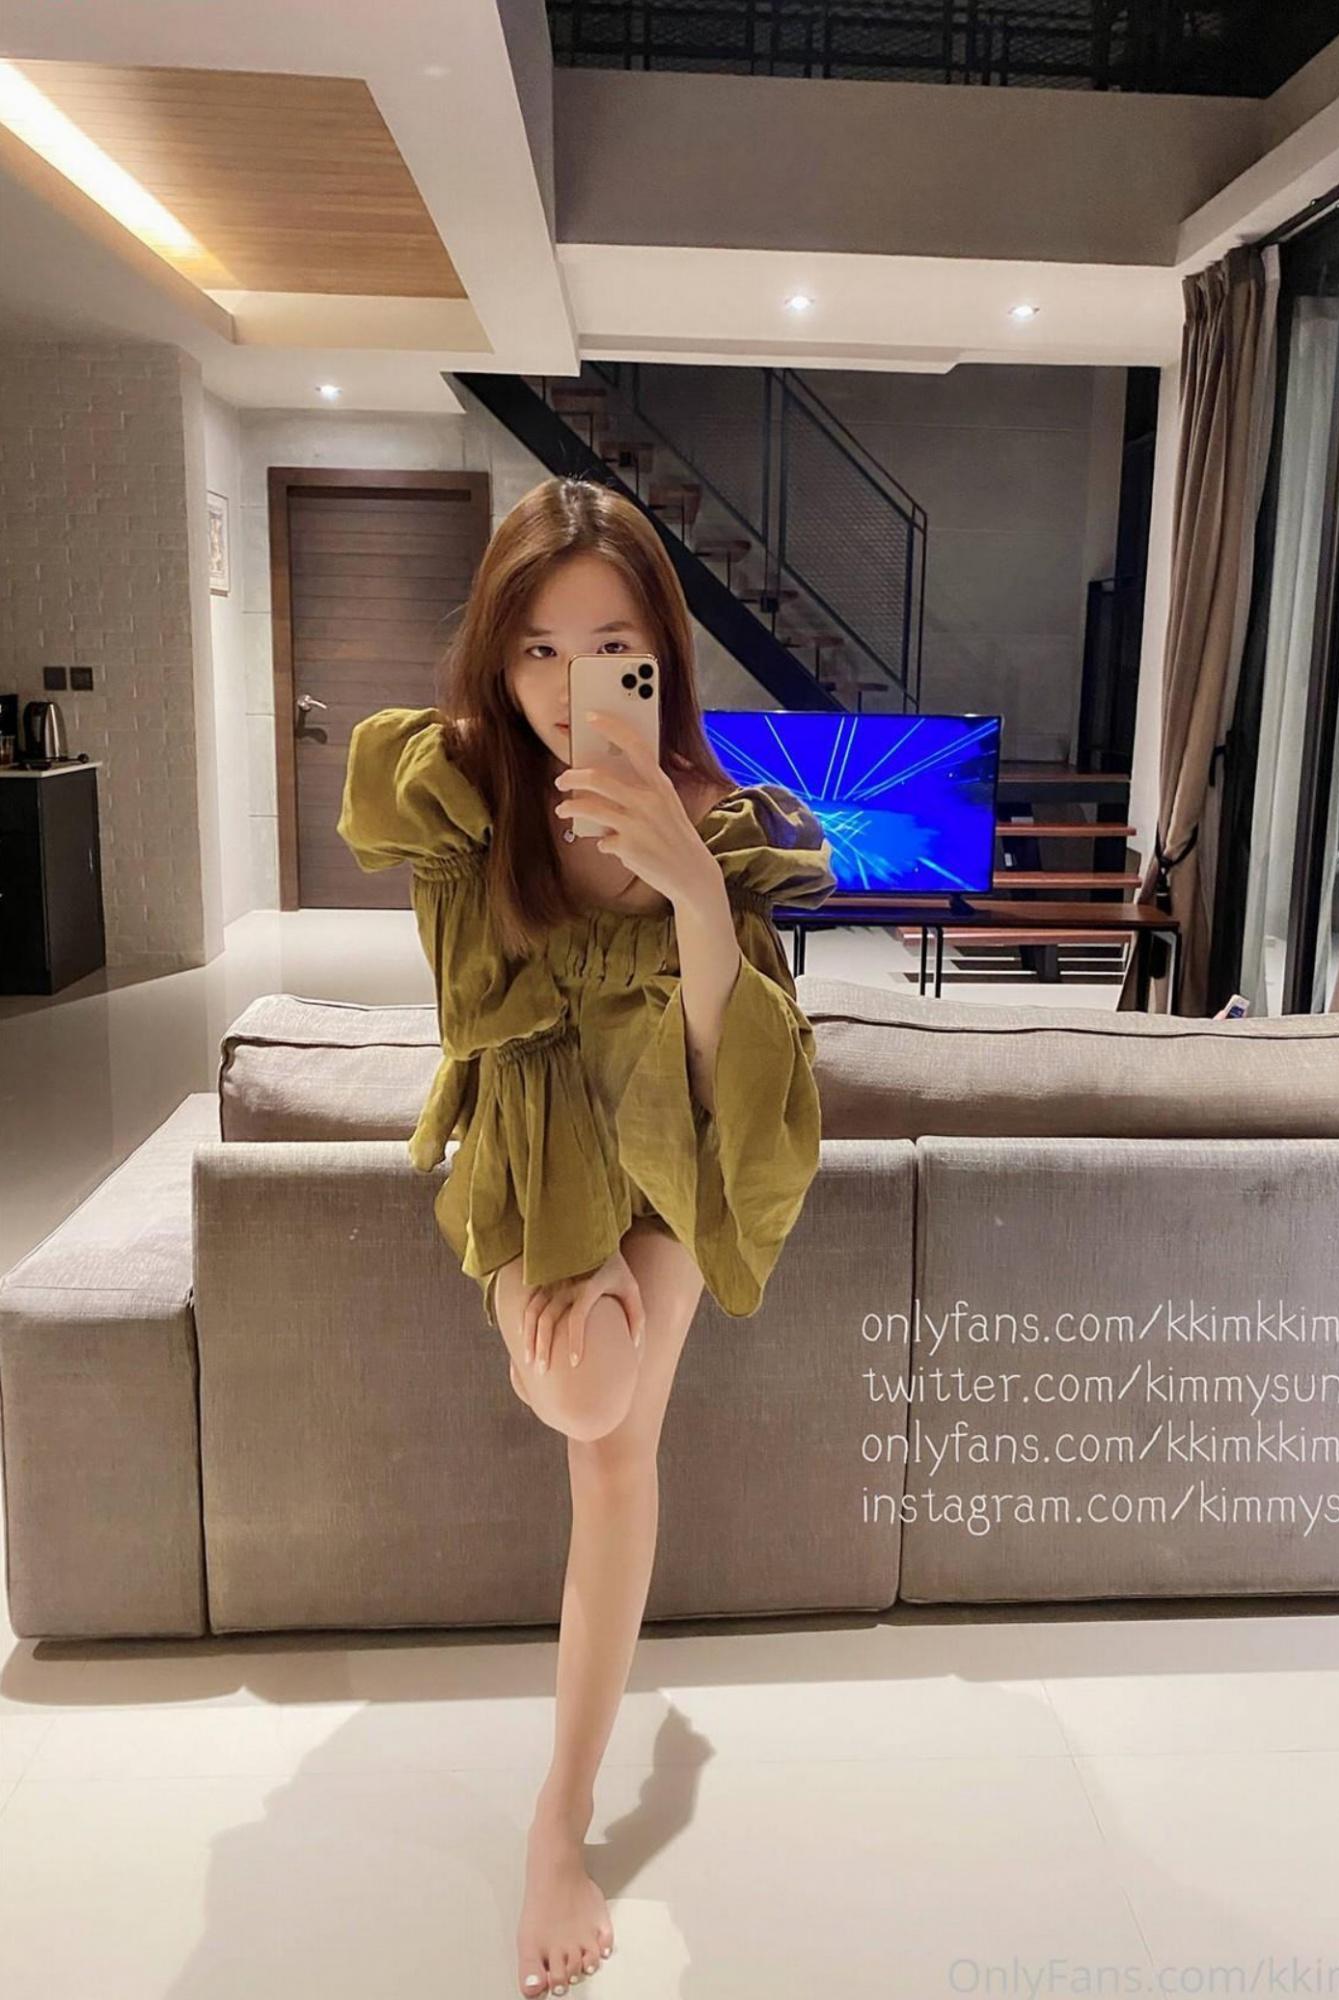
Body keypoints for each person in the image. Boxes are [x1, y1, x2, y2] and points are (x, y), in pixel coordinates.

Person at [335, 474, 838, 1996]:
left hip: (672, 1156)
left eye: (609, 650)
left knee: (614, 1443)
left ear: (661, 660)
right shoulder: (456, 799)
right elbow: (474, 1022)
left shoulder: (719, 829)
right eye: (536, 650)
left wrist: (691, 897)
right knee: (590, 1391)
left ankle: (559, 1817)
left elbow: (737, 1087)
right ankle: (550, 1349)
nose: (568, 688)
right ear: (495, 658)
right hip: (533, 1148)